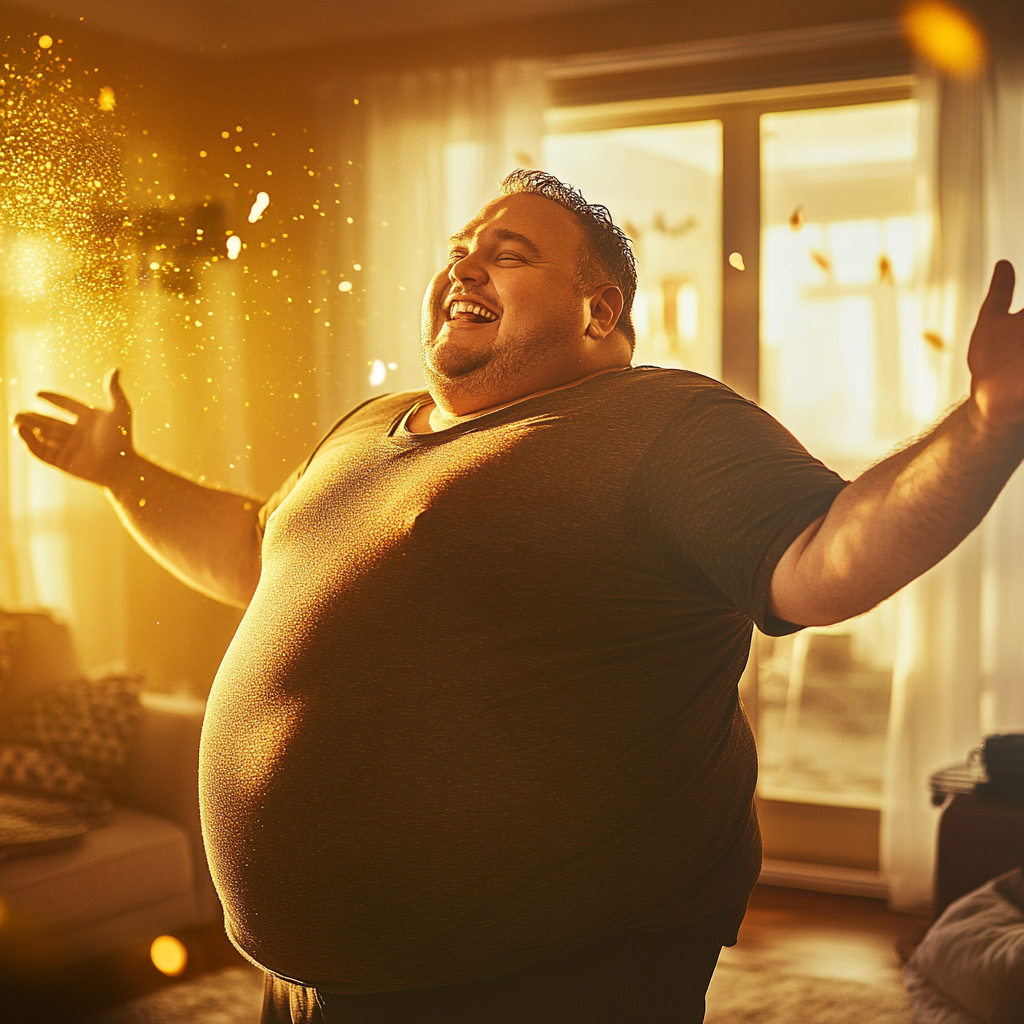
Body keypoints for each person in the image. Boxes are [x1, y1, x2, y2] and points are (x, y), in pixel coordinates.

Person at [15, 169, 1024, 1024]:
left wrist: (987, 423)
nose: (463, 263)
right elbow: (253, 550)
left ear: (598, 311)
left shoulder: (659, 420)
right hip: (311, 978)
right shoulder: (372, 427)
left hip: (536, 977)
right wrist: (125, 476)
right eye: (458, 247)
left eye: (507, 250)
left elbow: (823, 553)